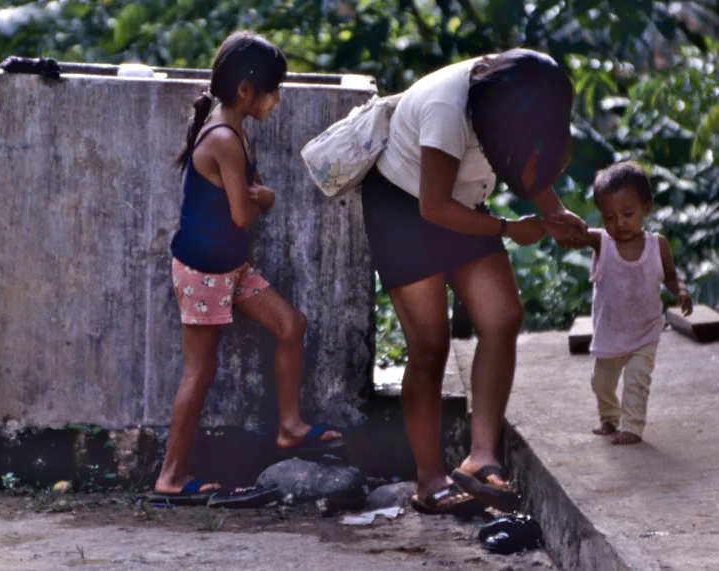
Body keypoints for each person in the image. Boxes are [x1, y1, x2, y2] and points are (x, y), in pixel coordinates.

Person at [362, 48, 588, 515]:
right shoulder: (449, 107)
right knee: (429, 345)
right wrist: (510, 229)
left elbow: (518, 161)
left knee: (503, 316)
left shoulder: (515, 89)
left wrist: (552, 212)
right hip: (406, 209)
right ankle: (429, 480)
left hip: (460, 202)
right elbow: (434, 208)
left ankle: (481, 457)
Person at [152, 31, 343, 506]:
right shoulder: (223, 137)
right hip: (204, 271)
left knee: (290, 324)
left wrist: (258, 196)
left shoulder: (231, 128)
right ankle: (170, 477)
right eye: (274, 90)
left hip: (229, 266)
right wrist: (269, 199)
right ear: (245, 91)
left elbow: (240, 200)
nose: (277, 100)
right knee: (200, 371)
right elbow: (243, 212)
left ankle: (289, 426)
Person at [583, 161, 692, 445]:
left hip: (645, 332)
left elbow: (669, 276)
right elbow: (574, 235)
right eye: (609, 217)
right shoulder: (602, 243)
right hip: (610, 332)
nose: (619, 224)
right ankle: (609, 417)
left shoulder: (658, 245)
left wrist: (680, 290)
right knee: (601, 383)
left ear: (647, 208)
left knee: (636, 381)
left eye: (628, 214)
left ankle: (632, 426)